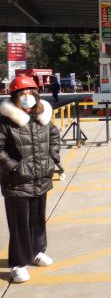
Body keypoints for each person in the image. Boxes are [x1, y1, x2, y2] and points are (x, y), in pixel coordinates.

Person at [0, 75, 61, 283]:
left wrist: (52, 158)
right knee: (20, 225)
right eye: (22, 94)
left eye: (30, 93)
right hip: (16, 181)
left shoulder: (42, 117)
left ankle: (37, 251)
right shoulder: (5, 121)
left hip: (40, 178)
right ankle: (17, 264)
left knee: (38, 220)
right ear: (14, 96)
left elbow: (54, 136)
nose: (27, 97)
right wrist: (15, 168)